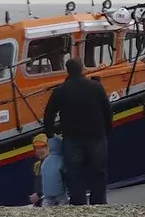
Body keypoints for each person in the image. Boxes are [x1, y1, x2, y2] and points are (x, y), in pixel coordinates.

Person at [43, 58, 115, 205]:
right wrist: (106, 131)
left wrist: (51, 134)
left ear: (67, 70)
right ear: (82, 68)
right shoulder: (96, 87)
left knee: (75, 173)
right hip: (96, 135)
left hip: (72, 137)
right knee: (98, 171)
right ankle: (99, 203)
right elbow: (108, 111)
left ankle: (78, 204)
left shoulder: (60, 90)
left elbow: (48, 115)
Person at [30, 134, 68, 207]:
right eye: (36, 148)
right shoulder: (37, 166)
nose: (39, 150)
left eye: (42, 147)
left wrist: (39, 194)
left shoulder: (60, 162)